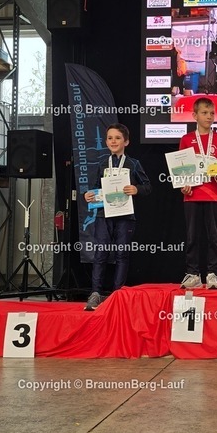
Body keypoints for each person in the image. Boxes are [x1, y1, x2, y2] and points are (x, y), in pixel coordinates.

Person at [83, 123, 152, 310]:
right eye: (110, 138)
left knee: (122, 254)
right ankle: (95, 293)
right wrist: (88, 195)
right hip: (103, 215)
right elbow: (95, 188)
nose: (113, 141)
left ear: (126, 142)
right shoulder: (102, 164)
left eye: (118, 138)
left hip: (125, 215)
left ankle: (117, 294)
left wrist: (136, 189)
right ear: (106, 142)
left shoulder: (133, 164)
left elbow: (147, 186)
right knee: (100, 254)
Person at [179, 97, 217, 290]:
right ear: (195, 115)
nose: (209, 116)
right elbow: (180, 168)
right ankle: (193, 274)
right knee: (192, 236)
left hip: (215, 195)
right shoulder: (186, 139)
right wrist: (183, 184)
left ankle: (212, 274)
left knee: (214, 237)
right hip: (192, 195)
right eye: (204, 113)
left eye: (212, 113)